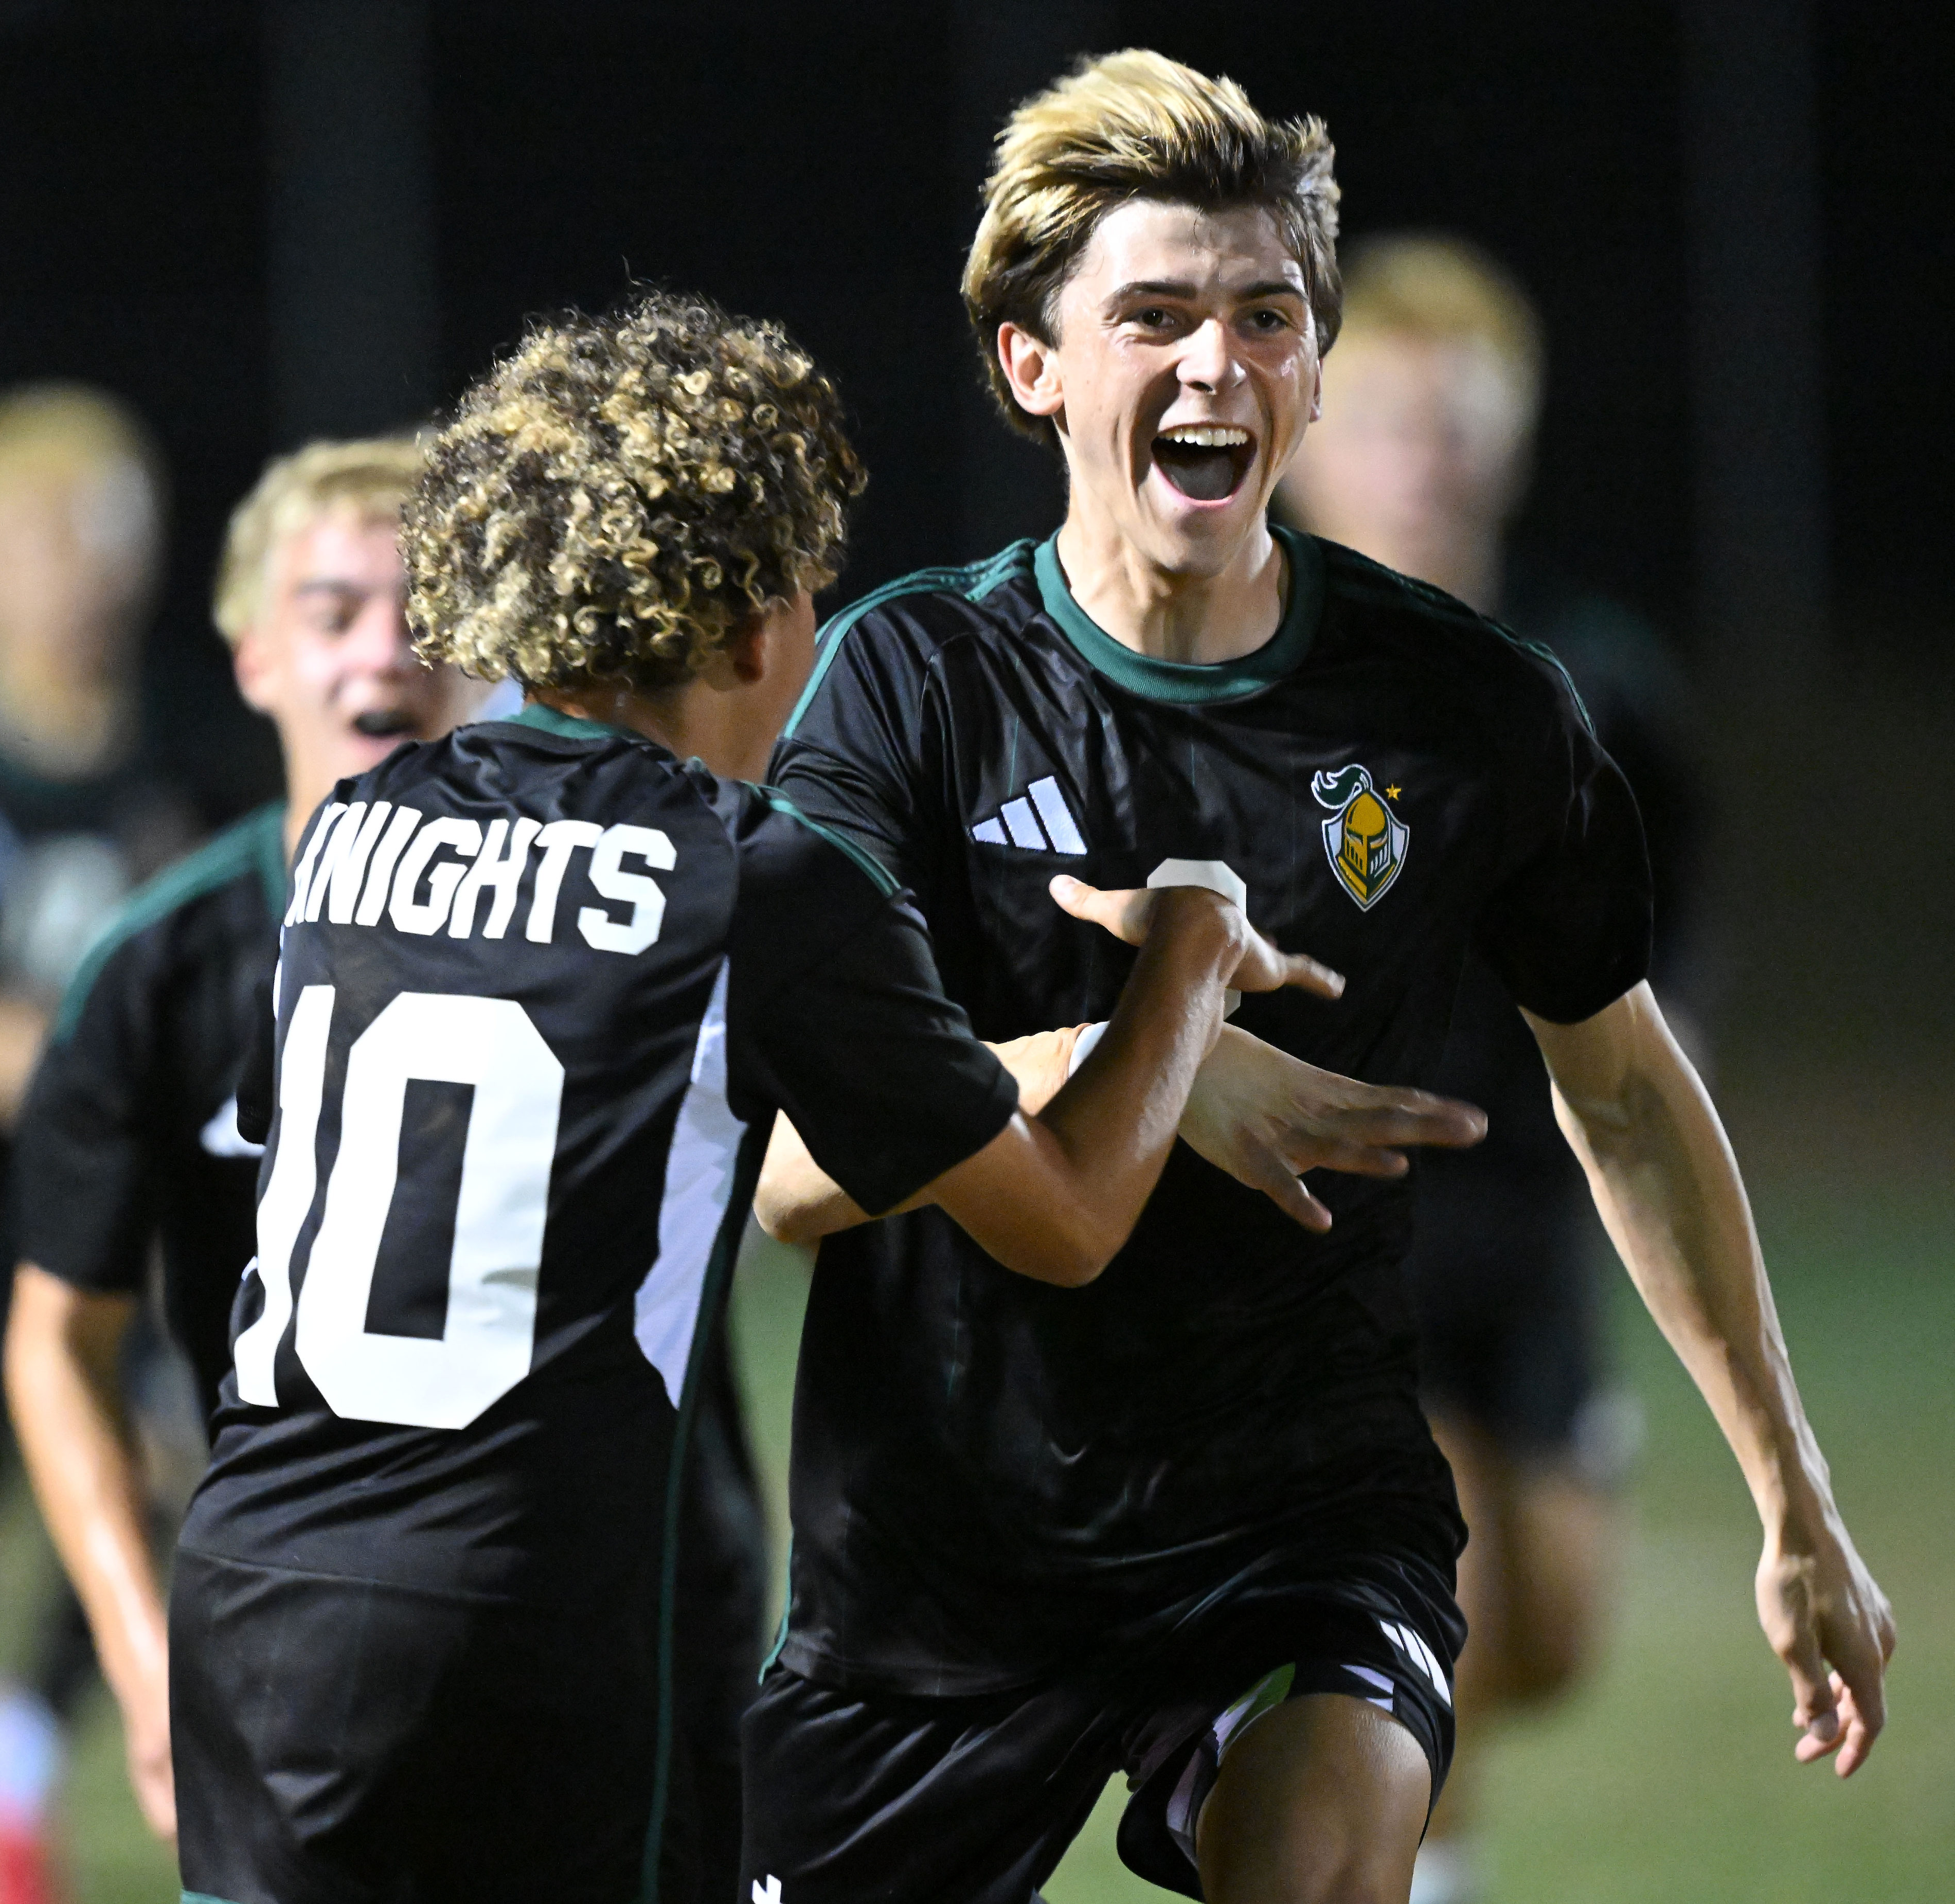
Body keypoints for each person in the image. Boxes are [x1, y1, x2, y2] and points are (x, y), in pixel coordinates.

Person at [745, 49, 1893, 1904]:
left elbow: (1622, 1086)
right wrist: (1138, 1061)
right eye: (1157, 316)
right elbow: (789, 1172)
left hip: (1299, 1529)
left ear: (1313, 366)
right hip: (938, 1568)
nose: (1218, 364)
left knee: (1331, 1853)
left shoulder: (1475, 715)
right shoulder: (908, 689)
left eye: (1266, 316)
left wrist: (1794, 1491)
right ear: (1036, 368)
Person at [159, 293, 1359, 1904]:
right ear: (754, 631)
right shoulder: (759, 882)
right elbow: (1067, 1222)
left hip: (253, 1585)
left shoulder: (357, 833)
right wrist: (1187, 964)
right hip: (531, 1619)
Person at [1277, 233, 1707, 1904]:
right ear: (1307, 439)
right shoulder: (1258, 664)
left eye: (1459, 419)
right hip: (1347, 1230)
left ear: (1512, 441)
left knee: (1556, 1636)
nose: (1426, 453)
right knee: (1436, 1635)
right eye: (1386, 416)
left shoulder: (1589, 680)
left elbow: (1683, 919)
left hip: (1533, 1224)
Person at [2, 437, 481, 1844]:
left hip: (570, 1627)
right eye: (332, 614)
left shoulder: (617, 926)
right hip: (283, 1632)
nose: (382, 657)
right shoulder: (160, 971)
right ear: (254, 655)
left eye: (432, 615)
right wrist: (144, 1661)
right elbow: (59, 1341)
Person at [0, 384, 188, 1904]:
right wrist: (66, 1067)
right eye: (30, 533)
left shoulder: (184, 769)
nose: (69, 565)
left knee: (163, 1473)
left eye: (94, 529)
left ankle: (9, 1761)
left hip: (106, 1235)